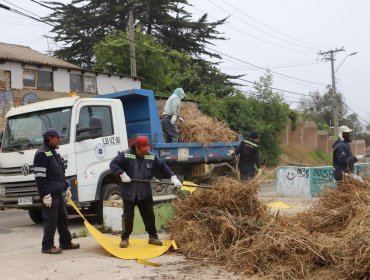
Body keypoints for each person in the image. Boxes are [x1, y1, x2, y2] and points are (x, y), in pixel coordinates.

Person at [109, 136, 182, 248]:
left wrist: (173, 177)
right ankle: (125, 238)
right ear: (136, 147)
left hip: (144, 193)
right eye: (142, 151)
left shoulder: (151, 157)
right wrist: (122, 174)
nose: (144, 153)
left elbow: (163, 167)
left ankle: (153, 237)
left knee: (149, 216)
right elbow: (113, 164)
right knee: (128, 217)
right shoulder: (126, 154)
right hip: (129, 192)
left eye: (146, 150)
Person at [34, 128, 80, 254]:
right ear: (50, 138)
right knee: (51, 220)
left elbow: (59, 174)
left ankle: (65, 243)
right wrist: (44, 195)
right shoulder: (42, 154)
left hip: (58, 191)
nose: (59, 140)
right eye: (57, 138)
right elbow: (39, 177)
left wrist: (66, 187)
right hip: (50, 194)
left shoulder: (53, 152)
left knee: (62, 218)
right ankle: (47, 246)